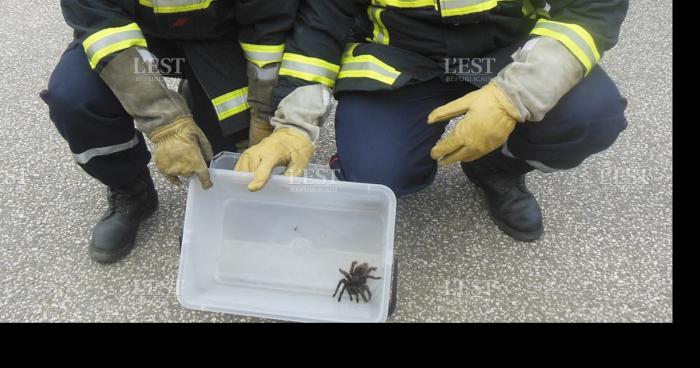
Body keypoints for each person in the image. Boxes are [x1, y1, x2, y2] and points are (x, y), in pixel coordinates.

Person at [236, 0, 630, 242]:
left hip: (506, 52)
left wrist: (514, 98)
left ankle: (496, 166)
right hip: (402, 60)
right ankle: (400, 158)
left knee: (591, 118)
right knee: (375, 173)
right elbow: (321, 27)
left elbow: (590, 10)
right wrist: (293, 126)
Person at [41, 0, 298, 263]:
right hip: (137, 41)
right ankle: (132, 189)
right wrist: (165, 122)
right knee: (76, 100)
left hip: (221, 37)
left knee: (239, 132)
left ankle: (201, 94)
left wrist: (263, 113)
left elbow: (268, 28)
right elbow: (102, 25)